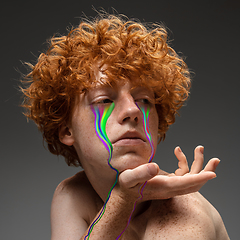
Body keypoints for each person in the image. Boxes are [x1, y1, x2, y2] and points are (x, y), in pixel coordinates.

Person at [21, 12, 230, 239]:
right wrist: (123, 199)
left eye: (144, 100)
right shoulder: (73, 195)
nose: (133, 111)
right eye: (104, 100)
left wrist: (125, 198)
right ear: (66, 131)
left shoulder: (185, 214)